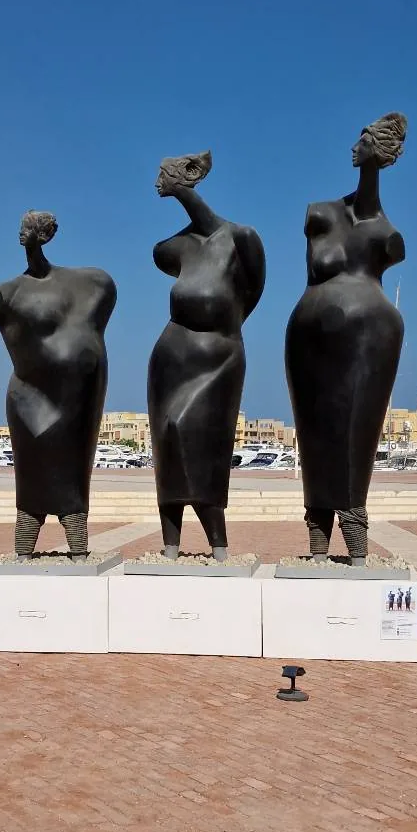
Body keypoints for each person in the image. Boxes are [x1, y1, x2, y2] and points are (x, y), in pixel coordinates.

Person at [285, 113, 408, 563]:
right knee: (314, 432)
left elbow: (375, 213)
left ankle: (355, 528)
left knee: (358, 430)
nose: (353, 148)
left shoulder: (390, 236)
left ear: (380, 152)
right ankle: (317, 535)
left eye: (363, 142)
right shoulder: (320, 214)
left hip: (370, 337)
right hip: (308, 338)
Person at [147, 152, 265, 559]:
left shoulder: (240, 238)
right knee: (166, 438)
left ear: (188, 177)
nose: (157, 181)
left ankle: (218, 542)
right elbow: (161, 256)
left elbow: (252, 293)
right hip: (170, 359)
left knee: (198, 439)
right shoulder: (173, 247)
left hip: (219, 358)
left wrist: (223, 325)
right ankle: (170, 545)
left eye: (164, 174)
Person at [0, 211, 116, 557]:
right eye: (22, 225)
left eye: (30, 226)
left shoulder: (94, 283)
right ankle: (25, 544)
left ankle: (77, 544)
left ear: (46, 234)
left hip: (80, 400)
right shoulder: (6, 293)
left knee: (75, 475)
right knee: (30, 479)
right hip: (31, 399)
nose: (23, 231)